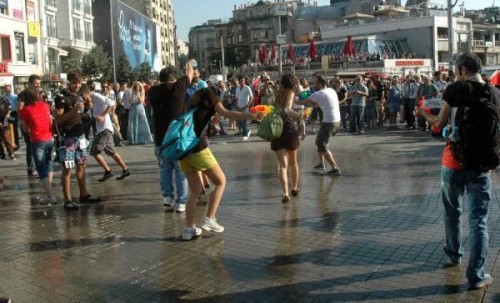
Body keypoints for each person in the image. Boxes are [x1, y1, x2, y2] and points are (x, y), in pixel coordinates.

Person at [414, 52, 495, 289]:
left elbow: (438, 124)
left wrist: (423, 114)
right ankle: (477, 276)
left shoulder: (455, 90)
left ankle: (453, 254)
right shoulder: (496, 94)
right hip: (482, 166)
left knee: (452, 213)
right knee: (478, 221)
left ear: (461, 70)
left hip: (453, 162)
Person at [180, 87, 262, 240]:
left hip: (184, 152)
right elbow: (229, 113)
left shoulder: (191, 106)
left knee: (195, 191)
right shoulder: (213, 102)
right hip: (198, 149)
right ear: (213, 97)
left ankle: (188, 229)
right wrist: (251, 115)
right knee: (221, 181)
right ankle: (209, 219)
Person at [148, 61, 195, 212]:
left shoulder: (153, 91)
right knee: (180, 170)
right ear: (173, 78)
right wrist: (188, 65)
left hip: (160, 137)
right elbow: (189, 74)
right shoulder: (178, 87)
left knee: (164, 169)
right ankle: (181, 202)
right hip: (177, 137)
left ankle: (167, 198)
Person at [53, 71, 101, 210]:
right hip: (67, 137)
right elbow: (58, 119)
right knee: (67, 168)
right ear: (68, 81)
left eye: (79, 83)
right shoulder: (61, 98)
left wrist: (87, 106)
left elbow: (84, 112)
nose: (76, 85)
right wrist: (74, 110)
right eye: (74, 82)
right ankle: (67, 200)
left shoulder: (78, 96)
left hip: (80, 136)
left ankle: (84, 194)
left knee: (81, 165)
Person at [296, 75, 342, 175]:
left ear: (320, 83)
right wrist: (314, 104)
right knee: (319, 141)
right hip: (336, 120)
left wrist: (291, 100)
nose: (314, 85)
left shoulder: (318, 93)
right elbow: (318, 104)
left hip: (329, 121)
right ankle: (321, 163)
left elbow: (303, 101)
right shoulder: (331, 90)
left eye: (315, 83)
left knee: (322, 144)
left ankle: (335, 168)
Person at [85, 82, 130, 182]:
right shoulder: (92, 100)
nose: (83, 96)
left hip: (104, 129)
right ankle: (125, 169)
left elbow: (111, 103)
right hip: (104, 128)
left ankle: (108, 171)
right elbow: (91, 111)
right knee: (111, 150)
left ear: (88, 91)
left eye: (84, 93)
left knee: (94, 151)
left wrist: (103, 115)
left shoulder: (96, 96)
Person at [18, 88, 56, 204]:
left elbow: (25, 128)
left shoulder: (25, 110)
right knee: (49, 164)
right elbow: (50, 119)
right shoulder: (44, 105)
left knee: (40, 168)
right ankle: (48, 193)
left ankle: (50, 196)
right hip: (50, 138)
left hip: (37, 140)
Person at [270, 74, 302, 203]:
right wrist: (299, 115)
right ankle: (294, 187)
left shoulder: (277, 93)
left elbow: (275, 109)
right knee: (293, 162)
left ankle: (285, 193)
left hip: (276, 129)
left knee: (282, 165)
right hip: (288, 128)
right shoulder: (290, 93)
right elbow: (287, 109)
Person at [18, 75, 40, 178]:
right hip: (28, 123)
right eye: (36, 83)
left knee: (38, 146)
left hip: (37, 123)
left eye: (39, 83)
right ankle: (31, 169)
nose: (38, 85)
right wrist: (23, 122)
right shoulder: (24, 94)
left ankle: (36, 167)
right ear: (30, 83)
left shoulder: (38, 93)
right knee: (30, 147)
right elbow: (20, 107)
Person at [235, 76, 253, 140]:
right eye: (241, 81)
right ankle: (247, 131)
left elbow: (251, 97)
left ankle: (245, 135)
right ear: (239, 81)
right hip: (239, 107)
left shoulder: (247, 88)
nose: (243, 82)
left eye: (244, 81)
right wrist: (236, 105)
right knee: (240, 122)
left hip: (245, 107)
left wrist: (247, 105)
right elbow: (237, 97)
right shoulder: (237, 88)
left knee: (244, 122)